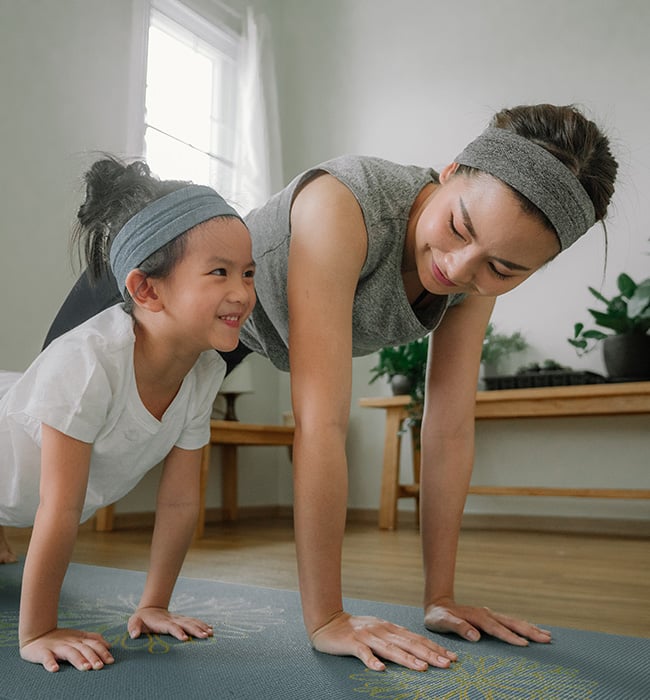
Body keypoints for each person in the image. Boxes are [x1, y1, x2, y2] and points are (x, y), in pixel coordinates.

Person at [34, 104, 618, 673]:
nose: (461, 269)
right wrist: (327, 617)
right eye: (459, 227)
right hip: (158, 301)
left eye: (504, 270)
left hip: (234, 336)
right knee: (29, 454)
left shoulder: (476, 266)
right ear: (449, 173)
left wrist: (440, 598)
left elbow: (447, 422)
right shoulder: (344, 206)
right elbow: (320, 423)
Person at [0, 158, 256, 672]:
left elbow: (181, 501)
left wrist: (154, 603)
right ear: (146, 290)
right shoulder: (88, 361)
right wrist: (39, 631)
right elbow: (59, 506)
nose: (243, 293)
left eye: (248, 273)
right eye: (220, 273)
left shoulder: (204, 370)